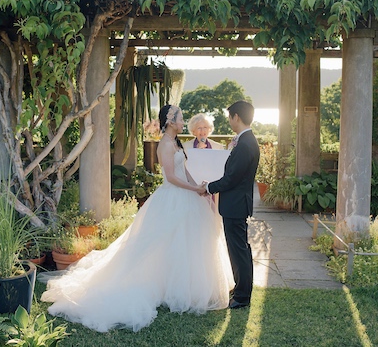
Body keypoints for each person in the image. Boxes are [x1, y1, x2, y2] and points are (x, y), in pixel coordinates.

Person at [39, 105, 234, 332]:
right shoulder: (164, 144)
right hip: (173, 197)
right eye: (181, 119)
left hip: (188, 195)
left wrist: (199, 185)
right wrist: (193, 189)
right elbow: (171, 177)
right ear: (170, 121)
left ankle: (183, 286)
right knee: (162, 242)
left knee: (186, 242)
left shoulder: (176, 142)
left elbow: (185, 170)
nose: (183, 122)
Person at [205, 100, 260, 309]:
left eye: (229, 117)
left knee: (239, 251)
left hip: (236, 205)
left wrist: (209, 187)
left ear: (236, 117)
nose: (229, 121)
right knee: (239, 249)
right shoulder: (246, 141)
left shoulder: (245, 144)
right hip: (236, 204)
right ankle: (240, 289)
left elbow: (231, 179)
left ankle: (242, 296)